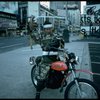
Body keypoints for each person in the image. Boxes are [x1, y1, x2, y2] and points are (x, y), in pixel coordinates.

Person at [33, 20, 65, 99]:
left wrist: (61, 42)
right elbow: (33, 36)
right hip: (46, 60)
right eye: (46, 29)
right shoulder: (41, 36)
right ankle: (38, 93)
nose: (48, 30)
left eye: (50, 28)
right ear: (44, 29)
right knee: (41, 77)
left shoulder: (56, 35)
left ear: (52, 28)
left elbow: (62, 44)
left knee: (64, 70)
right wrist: (31, 28)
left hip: (56, 59)